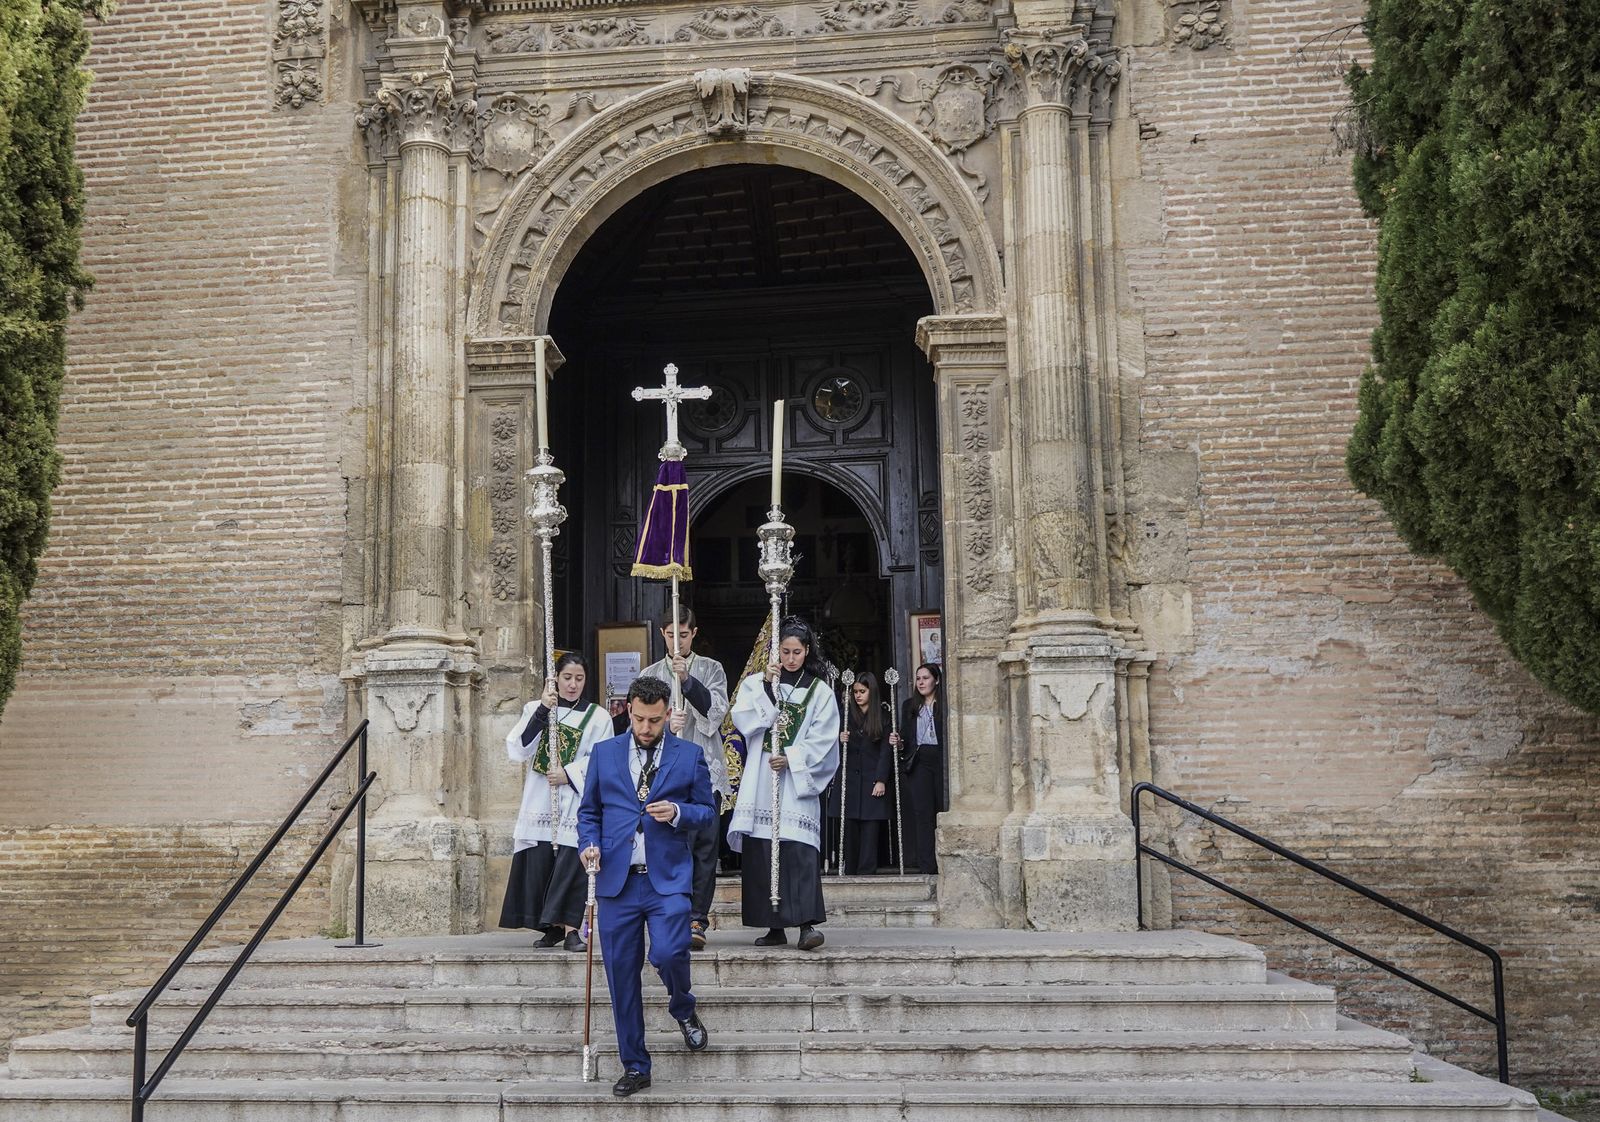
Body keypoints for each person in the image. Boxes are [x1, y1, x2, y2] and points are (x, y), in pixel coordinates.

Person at [578, 675, 715, 1098]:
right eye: (638, 718)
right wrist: (589, 846)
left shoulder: (689, 755)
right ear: (629, 710)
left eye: (654, 720)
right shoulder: (603, 754)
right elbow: (589, 813)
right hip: (616, 882)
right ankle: (635, 1065)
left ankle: (682, 1007)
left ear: (666, 714)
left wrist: (676, 811)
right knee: (621, 977)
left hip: (667, 880)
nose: (645, 728)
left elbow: (708, 812)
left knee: (670, 952)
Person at [727, 617, 840, 950]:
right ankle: (773, 926)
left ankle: (806, 926)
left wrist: (792, 757)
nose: (791, 658)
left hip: (794, 784)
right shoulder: (756, 684)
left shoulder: (819, 690)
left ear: (807, 652)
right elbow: (743, 720)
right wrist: (766, 689)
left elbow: (825, 737)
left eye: (797, 652)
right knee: (763, 852)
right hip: (762, 780)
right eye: (785, 651)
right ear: (776, 651)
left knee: (798, 851)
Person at [501, 653, 608, 948]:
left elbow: (602, 759)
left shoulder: (598, 717)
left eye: (579, 678)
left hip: (575, 799)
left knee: (571, 864)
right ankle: (551, 926)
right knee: (541, 863)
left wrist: (570, 774)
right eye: (567, 678)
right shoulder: (536, 708)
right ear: (555, 679)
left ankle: (572, 928)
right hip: (540, 800)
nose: (573, 685)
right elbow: (519, 747)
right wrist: (542, 712)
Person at [640, 609, 730, 951]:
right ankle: (671, 915)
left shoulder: (711, 668)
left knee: (704, 849)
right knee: (671, 847)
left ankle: (697, 918)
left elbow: (717, 712)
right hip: (665, 771)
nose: (677, 641)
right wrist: (665, 724)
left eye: (684, 635)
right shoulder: (650, 674)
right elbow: (642, 723)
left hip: (704, 768)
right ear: (662, 634)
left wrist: (689, 682)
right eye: (670, 635)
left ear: (694, 633)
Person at [825, 672, 891, 875]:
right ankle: (850, 869)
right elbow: (828, 744)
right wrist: (839, 739)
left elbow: (885, 752)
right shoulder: (845, 715)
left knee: (870, 829)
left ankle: (867, 871)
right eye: (855, 692)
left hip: (871, 778)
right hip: (850, 780)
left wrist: (881, 779)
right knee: (849, 827)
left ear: (872, 691)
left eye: (862, 691)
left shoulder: (883, 716)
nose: (858, 696)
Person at [889, 662, 946, 875]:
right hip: (919, 760)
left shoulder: (944, 704)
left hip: (940, 760)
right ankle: (927, 865)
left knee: (942, 809)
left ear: (936, 680)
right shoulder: (909, 705)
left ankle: (944, 860)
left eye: (926, 678)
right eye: (918, 678)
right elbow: (906, 737)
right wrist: (899, 742)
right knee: (923, 813)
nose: (921, 682)